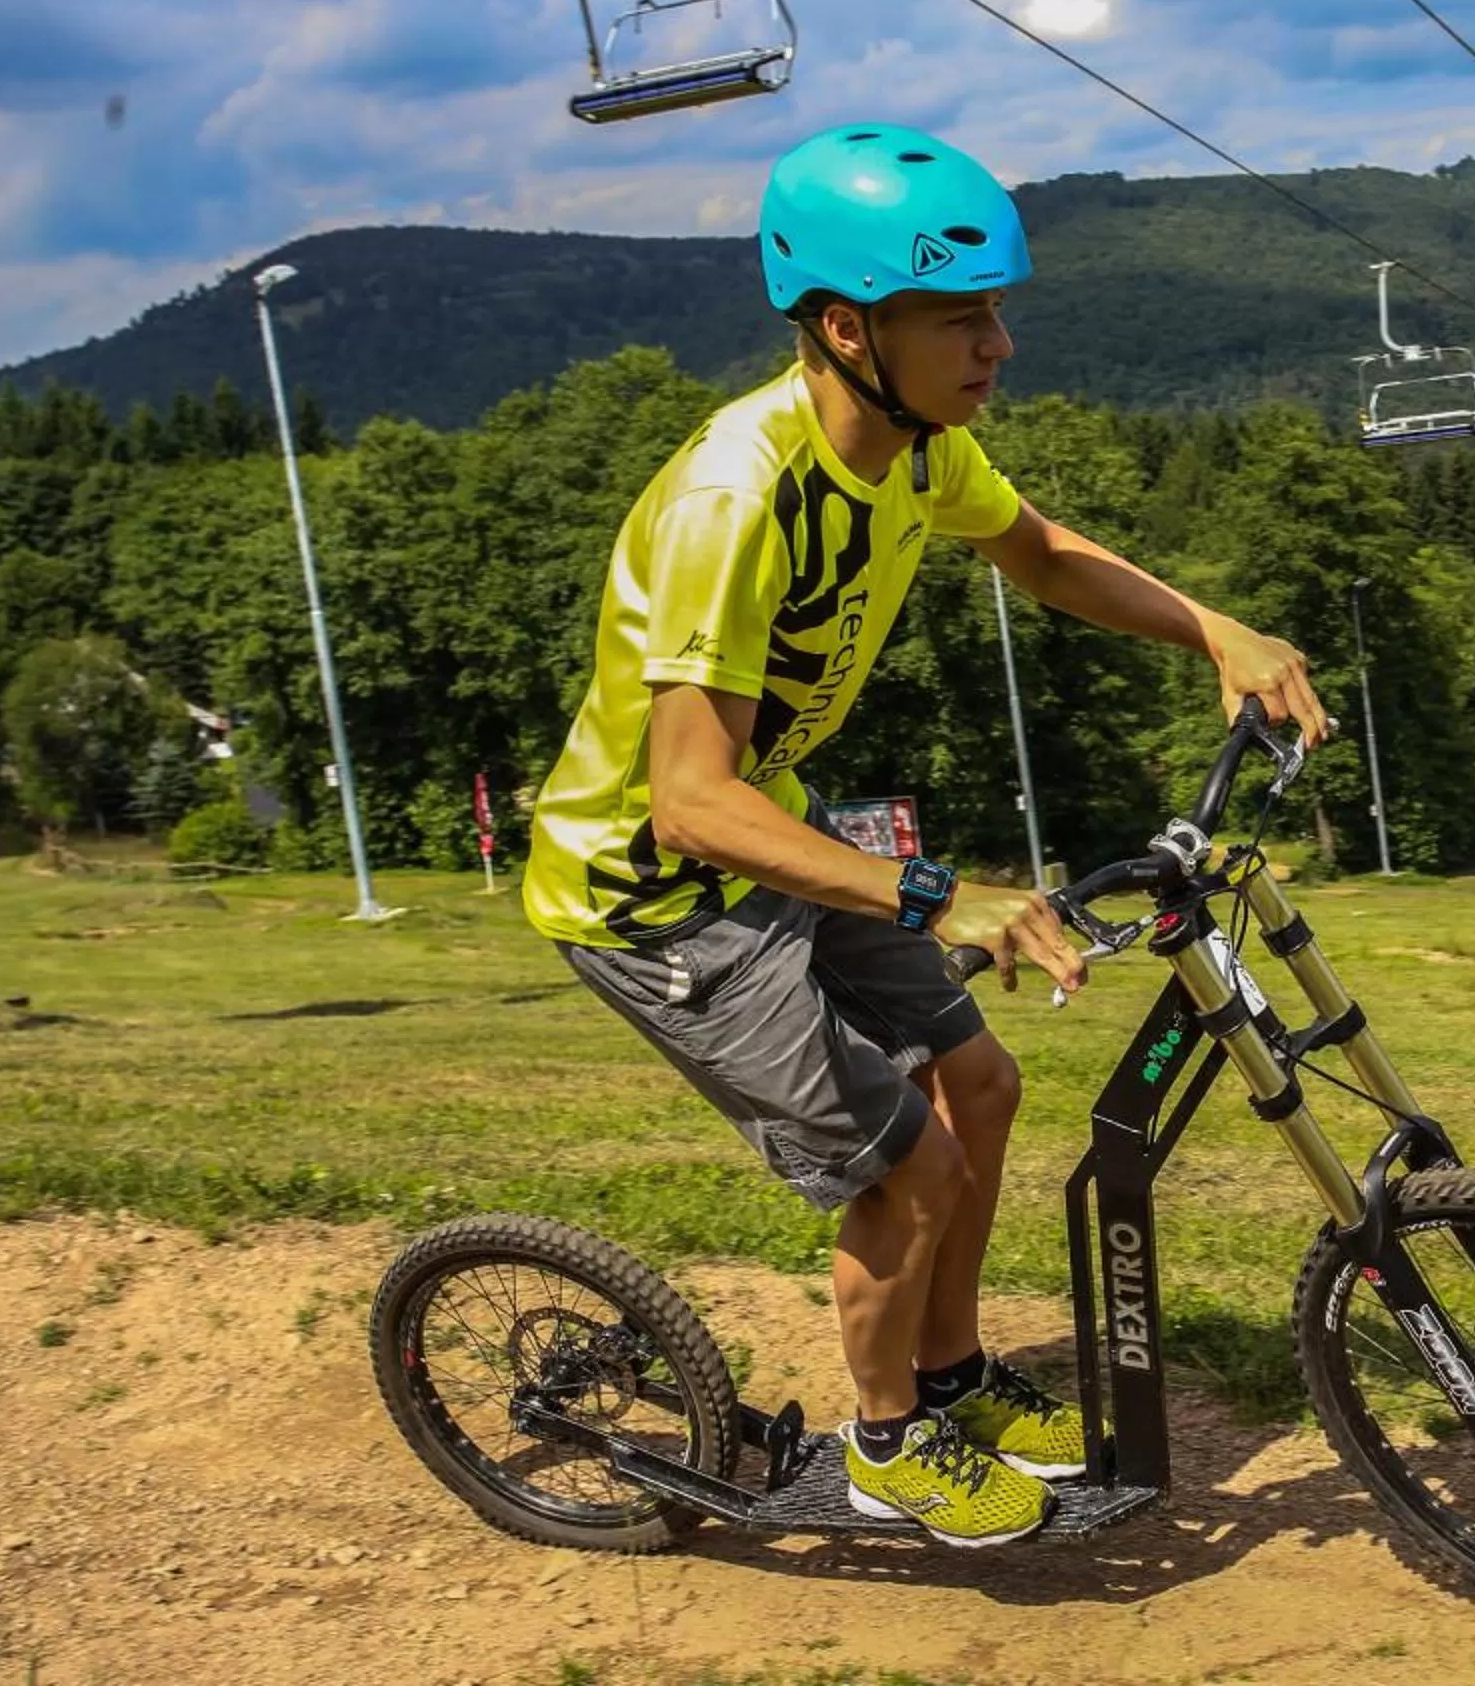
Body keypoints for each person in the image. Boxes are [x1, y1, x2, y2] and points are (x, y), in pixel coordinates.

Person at [520, 123, 1329, 1545]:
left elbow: (1041, 551)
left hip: (769, 839)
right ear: (845, 329)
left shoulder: (912, 452)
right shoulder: (738, 500)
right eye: (963, 318)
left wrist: (1214, 626)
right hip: (654, 899)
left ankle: (948, 1379)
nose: (1000, 345)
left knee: (984, 1085)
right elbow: (688, 802)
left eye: (999, 311)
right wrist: (935, 895)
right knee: (912, 1164)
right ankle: (888, 1446)